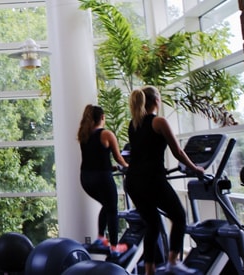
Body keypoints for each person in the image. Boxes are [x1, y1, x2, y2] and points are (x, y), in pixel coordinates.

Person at [125, 86, 204, 275]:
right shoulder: (159, 122)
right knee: (179, 216)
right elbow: (178, 151)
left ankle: (149, 271)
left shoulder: (133, 123)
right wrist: (195, 168)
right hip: (151, 180)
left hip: (133, 181)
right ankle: (173, 261)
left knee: (152, 224)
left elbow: (142, 152)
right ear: (156, 101)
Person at [77, 104, 130, 256]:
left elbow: (94, 158)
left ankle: (100, 238)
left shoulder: (84, 135)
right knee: (113, 209)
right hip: (101, 178)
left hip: (86, 179)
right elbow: (119, 158)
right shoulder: (106, 134)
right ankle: (114, 247)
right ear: (102, 117)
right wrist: (129, 166)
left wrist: (111, 167)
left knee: (107, 206)